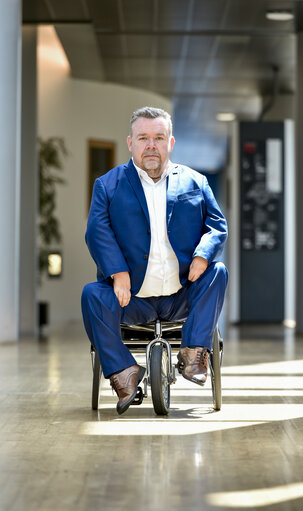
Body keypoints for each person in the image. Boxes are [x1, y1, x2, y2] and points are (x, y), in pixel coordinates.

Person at [81, 106, 228, 415]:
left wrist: (203, 254)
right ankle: (124, 372)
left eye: (158, 137)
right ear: (130, 143)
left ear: (170, 143)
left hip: (182, 295)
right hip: (130, 298)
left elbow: (217, 225)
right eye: (143, 137)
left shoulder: (195, 182)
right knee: (92, 295)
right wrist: (118, 272)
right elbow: (97, 231)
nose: (151, 145)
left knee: (218, 272)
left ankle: (193, 352)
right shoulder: (108, 185)